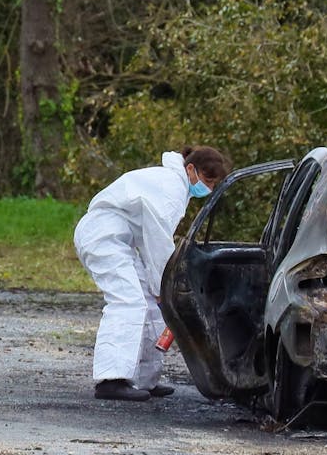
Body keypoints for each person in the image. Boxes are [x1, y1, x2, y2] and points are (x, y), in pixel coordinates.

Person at [74, 146, 229, 401]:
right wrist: (163, 287)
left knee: (151, 304)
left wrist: (158, 291)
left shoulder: (176, 185)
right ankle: (110, 380)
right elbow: (157, 242)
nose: (208, 188)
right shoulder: (170, 188)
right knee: (128, 300)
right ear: (191, 169)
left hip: (120, 240)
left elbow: (151, 241)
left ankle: (145, 379)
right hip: (103, 236)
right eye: (207, 180)